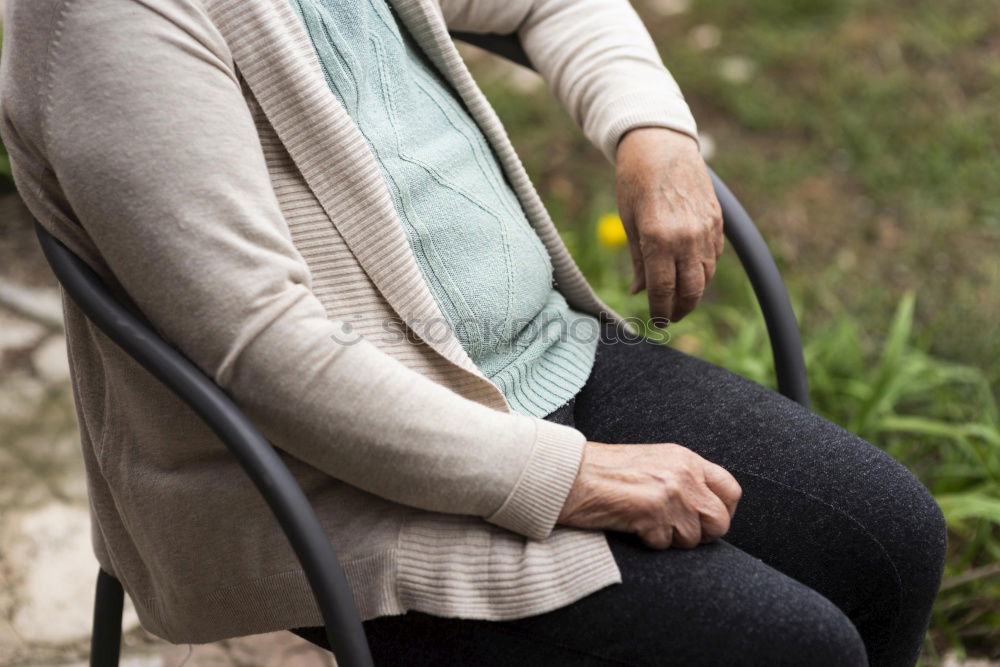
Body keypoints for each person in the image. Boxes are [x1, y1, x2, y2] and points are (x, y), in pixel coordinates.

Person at [0, 0, 946, 664]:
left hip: (540, 357)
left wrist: (650, 130)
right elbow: (264, 352)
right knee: (786, 647)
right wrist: (568, 476)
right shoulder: (105, 20)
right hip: (337, 484)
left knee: (890, 539)